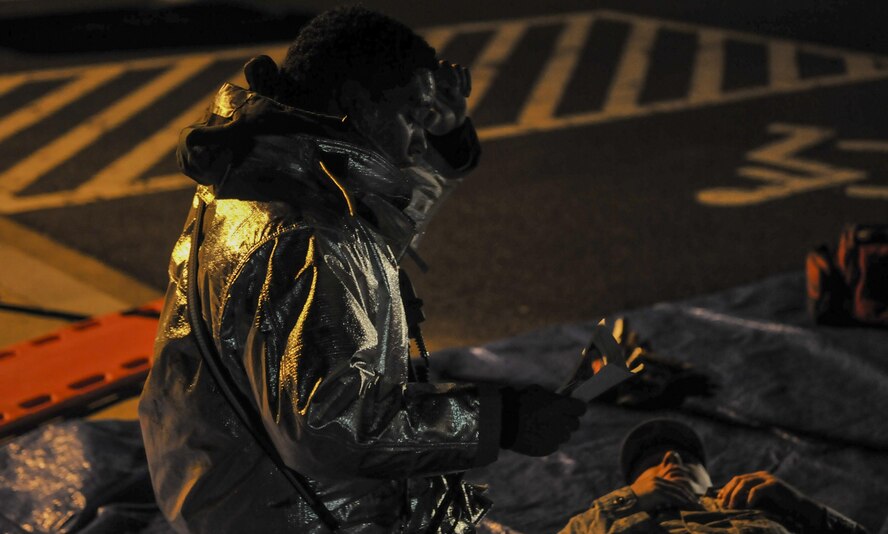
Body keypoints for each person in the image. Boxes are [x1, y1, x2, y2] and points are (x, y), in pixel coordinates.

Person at [138, 6, 585, 533]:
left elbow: (374, 232)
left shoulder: (272, 177)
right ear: (355, 103)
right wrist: (500, 420)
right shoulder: (305, 236)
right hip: (290, 514)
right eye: (412, 117)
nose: (418, 139)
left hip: (240, 492)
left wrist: (443, 139)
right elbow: (328, 427)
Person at [559, 419, 869, 534]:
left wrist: (805, 509)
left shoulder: (762, 507)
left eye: (689, 459)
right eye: (652, 462)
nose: (672, 458)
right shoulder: (605, 520)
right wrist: (629, 501)